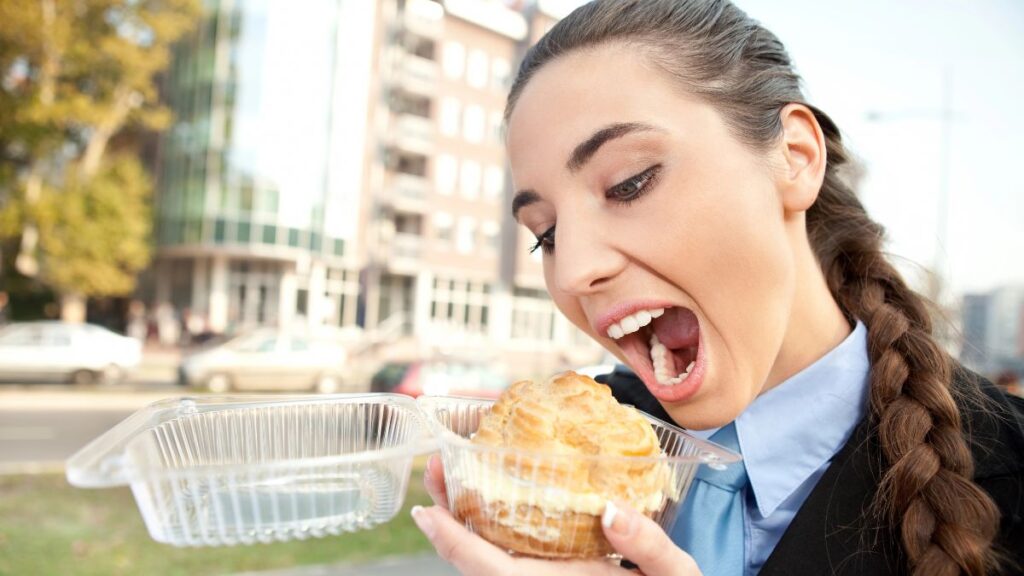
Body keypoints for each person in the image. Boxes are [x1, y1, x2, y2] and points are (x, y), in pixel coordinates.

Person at [409, 1, 1024, 575]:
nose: (573, 272)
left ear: (795, 156)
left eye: (629, 183)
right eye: (546, 234)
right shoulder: (547, 475)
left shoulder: (1008, 472)